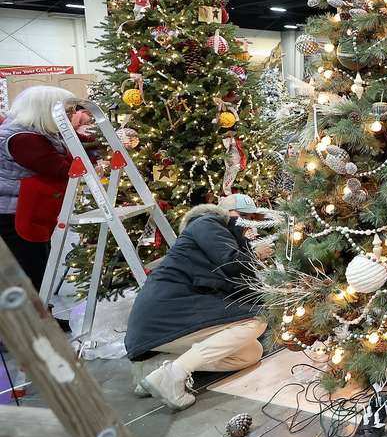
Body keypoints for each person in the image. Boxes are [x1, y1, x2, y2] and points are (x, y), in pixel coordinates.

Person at [126, 193, 273, 411]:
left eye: (252, 218)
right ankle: (174, 376)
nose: (247, 223)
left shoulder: (224, 238)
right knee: (257, 319)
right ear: (226, 213)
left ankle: (155, 366)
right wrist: (255, 255)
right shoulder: (207, 223)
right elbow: (231, 263)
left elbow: (238, 288)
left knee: (250, 353)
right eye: (242, 216)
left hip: (177, 316)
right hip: (164, 315)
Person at [0, 87, 94, 304]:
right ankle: (35, 327)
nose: (69, 115)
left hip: (30, 210)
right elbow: (61, 169)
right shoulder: (23, 138)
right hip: (14, 214)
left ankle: (43, 316)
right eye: (64, 111)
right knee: (30, 269)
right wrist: (90, 161)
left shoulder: (37, 132)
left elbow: (79, 142)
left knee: (39, 265)